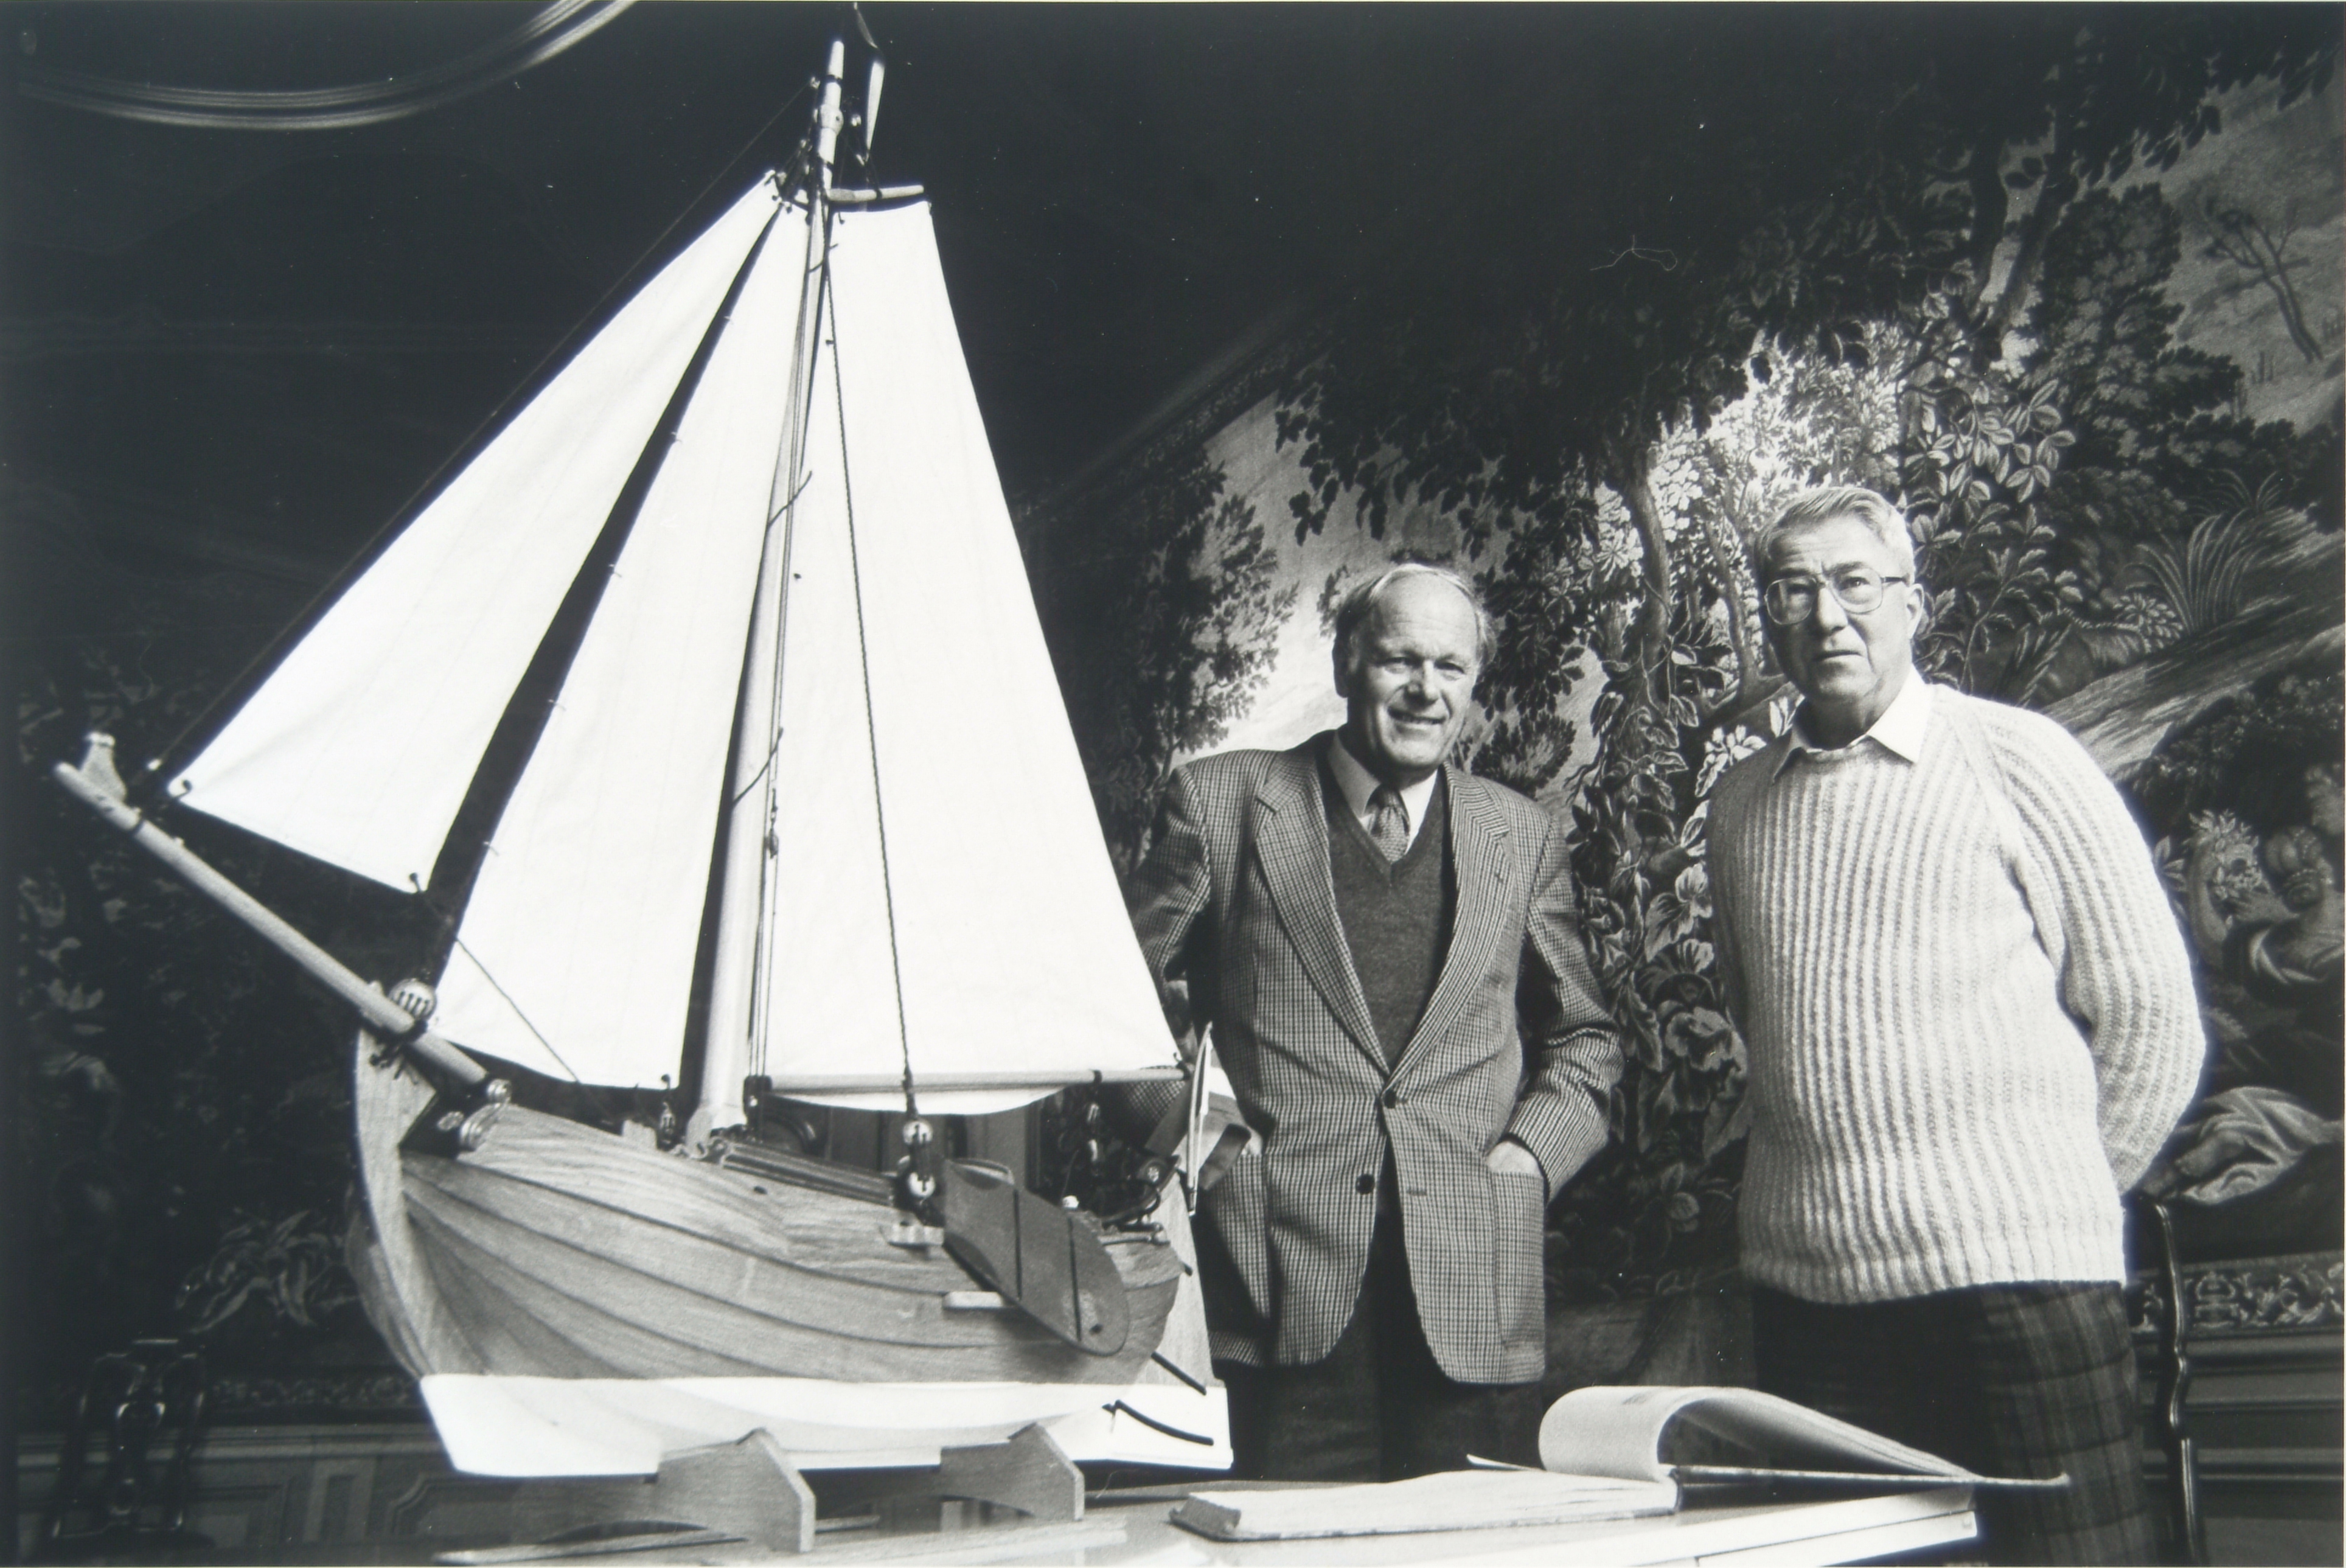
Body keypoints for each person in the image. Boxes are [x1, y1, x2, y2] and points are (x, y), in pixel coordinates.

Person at [1706, 486, 2204, 1566]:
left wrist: (2044, 1200)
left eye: (1855, 583)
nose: (1826, 616)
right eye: (1792, 591)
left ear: (1912, 604)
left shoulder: (2019, 756)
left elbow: (2154, 1023)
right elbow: (1765, 1017)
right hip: (1812, 1305)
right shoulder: (1738, 807)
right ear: (1770, 620)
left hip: (2023, 1293)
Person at [1118, 562, 1621, 1482]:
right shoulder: (1223, 803)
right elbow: (1111, 1004)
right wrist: (1213, 1150)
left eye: (1451, 667)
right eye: (1401, 660)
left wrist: (1530, 1158)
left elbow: (1585, 1037)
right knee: (1295, 1544)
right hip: (1279, 1284)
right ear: (1348, 662)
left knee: (1470, 1546)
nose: (1428, 690)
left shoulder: (1520, 834)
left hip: (1472, 1284)